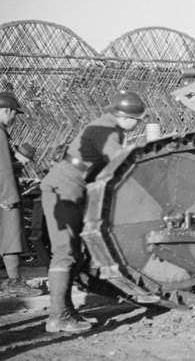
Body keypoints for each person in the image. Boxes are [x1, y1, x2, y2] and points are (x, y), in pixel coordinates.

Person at [41, 89, 146, 333]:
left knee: (74, 253)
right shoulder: (105, 128)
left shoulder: (107, 126)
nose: (136, 124)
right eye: (136, 120)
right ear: (126, 116)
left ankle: (64, 312)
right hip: (64, 189)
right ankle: (57, 316)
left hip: (72, 188)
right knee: (65, 252)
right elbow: (120, 162)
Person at [0, 92, 43, 297]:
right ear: (5, 110)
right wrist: (8, 196)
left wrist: (18, 163)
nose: (14, 119)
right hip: (4, 194)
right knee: (11, 237)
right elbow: (3, 169)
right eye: (13, 114)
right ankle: (14, 281)